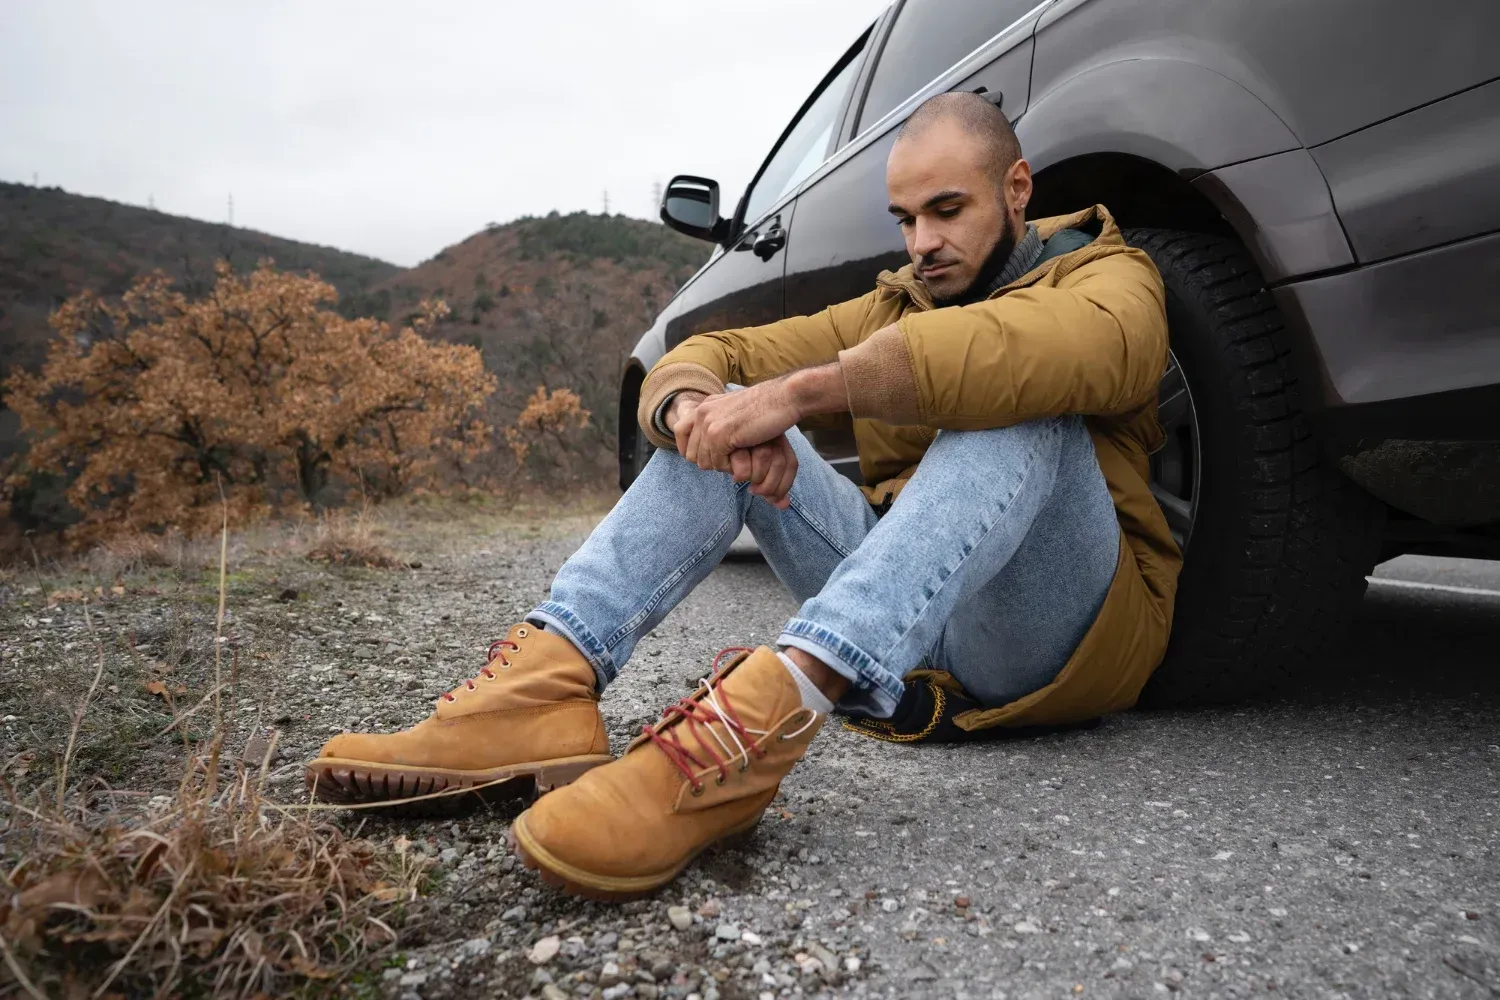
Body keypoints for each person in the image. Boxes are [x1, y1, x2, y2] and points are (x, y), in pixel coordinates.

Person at [305, 91, 1181, 899]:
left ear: (1016, 189)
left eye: (947, 211)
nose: (922, 242)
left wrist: (800, 395)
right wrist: (698, 404)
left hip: (1051, 630)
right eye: (907, 219)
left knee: (1019, 401)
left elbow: (1073, 350)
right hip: (913, 611)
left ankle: (759, 728)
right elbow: (717, 352)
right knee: (726, 424)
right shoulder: (898, 306)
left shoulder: (1108, 277)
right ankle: (538, 689)